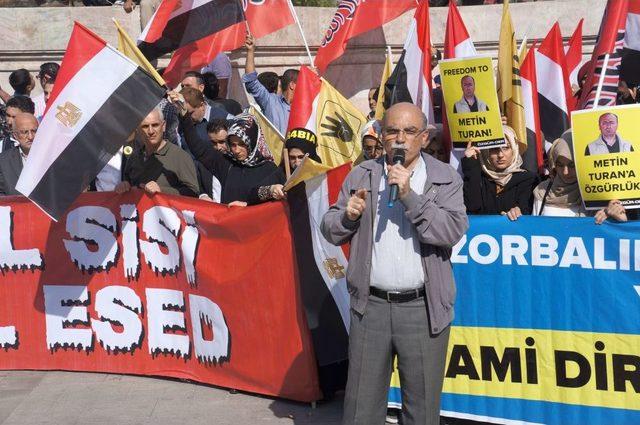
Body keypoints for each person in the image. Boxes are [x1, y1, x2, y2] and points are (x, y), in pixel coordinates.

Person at [321, 102, 468, 425]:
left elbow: (451, 231)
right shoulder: (363, 173)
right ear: (382, 135)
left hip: (422, 309)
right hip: (370, 307)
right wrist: (347, 217)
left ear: (425, 138)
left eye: (409, 131)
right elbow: (329, 228)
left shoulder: (444, 177)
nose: (400, 139)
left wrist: (409, 196)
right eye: (392, 131)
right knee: (361, 407)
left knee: (422, 408)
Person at [175, 97, 285, 205]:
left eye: (242, 144)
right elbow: (198, 148)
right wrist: (185, 115)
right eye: (232, 145)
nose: (237, 150)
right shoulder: (227, 163)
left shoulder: (270, 170)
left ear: (253, 142)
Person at [534, 134, 629, 224]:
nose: (565, 172)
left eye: (572, 165)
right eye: (560, 165)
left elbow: (618, 235)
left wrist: (618, 219)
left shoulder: (599, 193)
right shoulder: (542, 191)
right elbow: (533, 228)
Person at [116, 108, 199, 197]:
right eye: (145, 126)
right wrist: (124, 185)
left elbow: (193, 193)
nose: (151, 131)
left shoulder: (180, 156)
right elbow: (127, 180)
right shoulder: (134, 156)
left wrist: (162, 190)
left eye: (155, 125)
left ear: (163, 126)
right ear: (138, 130)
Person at [462, 126, 537, 220]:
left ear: (514, 149)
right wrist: (470, 164)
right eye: (494, 149)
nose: (500, 155)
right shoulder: (479, 177)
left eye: (506, 148)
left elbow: (528, 210)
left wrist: (519, 210)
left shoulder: (529, 179)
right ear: (486, 152)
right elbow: (471, 208)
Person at [243, 32, 297, 134]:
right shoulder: (271, 102)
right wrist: (250, 51)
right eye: (302, 83)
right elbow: (251, 82)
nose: (304, 88)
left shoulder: (305, 106)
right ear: (292, 85)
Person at [0, 113, 38, 196]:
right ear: (15, 135)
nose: (30, 137)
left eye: (34, 131)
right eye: (24, 132)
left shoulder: (52, 156)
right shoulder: (3, 161)